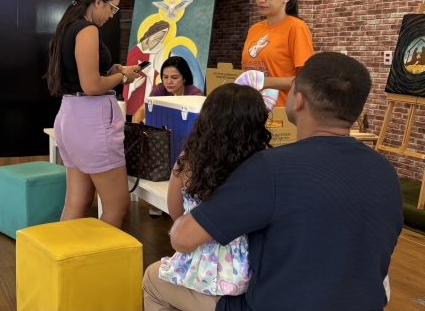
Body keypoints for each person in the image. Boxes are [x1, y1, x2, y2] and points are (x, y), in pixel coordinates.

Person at [144, 52, 403, 311]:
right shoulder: (385, 172)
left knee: (154, 279)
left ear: (298, 100)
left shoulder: (270, 168)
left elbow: (182, 238)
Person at [144, 83, 273, 306]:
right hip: (251, 274)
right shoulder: (262, 166)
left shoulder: (188, 160)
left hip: (200, 270)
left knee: (152, 280)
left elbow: (176, 213)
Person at [45, 0, 140, 229]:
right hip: (92, 123)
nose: (112, 15)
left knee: (76, 202)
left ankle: (65, 254)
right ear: (99, 2)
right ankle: (101, 256)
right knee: (117, 205)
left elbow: (82, 79)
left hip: (71, 117)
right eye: (113, 8)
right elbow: (90, 86)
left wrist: (110, 72)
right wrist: (123, 77)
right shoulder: (88, 30)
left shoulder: (68, 27)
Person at [242, 0, 314, 106]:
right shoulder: (254, 29)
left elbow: (306, 79)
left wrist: (263, 82)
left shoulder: (296, 28)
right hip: (251, 109)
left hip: (281, 111)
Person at [132, 56, 204, 125]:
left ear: (185, 78)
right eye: (165, 77)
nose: (169, 82)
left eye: (174, 78)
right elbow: (142, 111)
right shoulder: (160, 90)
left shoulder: (195, 95)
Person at [125, 21, 170, 115]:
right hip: (137, 94)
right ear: (153, 31)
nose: (160, 38)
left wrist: (150, 72)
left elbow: (163, 76)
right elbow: (127, 77)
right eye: (161, 33)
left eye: (164, 35)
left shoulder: (161, 51)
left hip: (152, 95)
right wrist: (133, 85)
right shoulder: (135, 51)